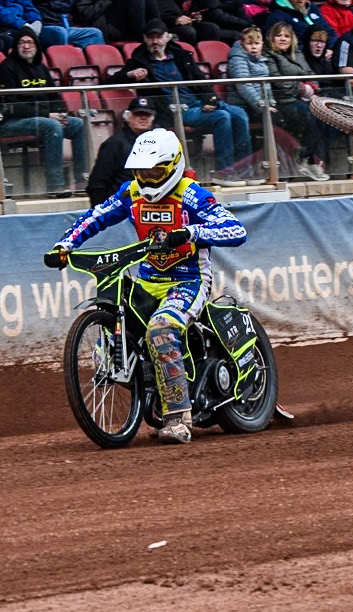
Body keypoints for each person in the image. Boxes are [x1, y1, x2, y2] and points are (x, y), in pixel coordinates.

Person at [43, 128, 247, 444]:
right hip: (148, 281)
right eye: (141, 171)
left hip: (189, 281)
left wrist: (189, 233)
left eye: (155, 171)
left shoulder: (191, 193)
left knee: (161, 330)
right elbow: (96, 215)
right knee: (112, 340)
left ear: (173, 166)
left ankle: (179, 418)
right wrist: (64, 245)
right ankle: (151, 389)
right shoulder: (131, 192)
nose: (148, 178)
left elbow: (234, 229)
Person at [110, 18, 254, 187]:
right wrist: (130, 75)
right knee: (222, 117)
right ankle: (225, 171)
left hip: (198, 102)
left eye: (158, 36)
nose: (155, 41)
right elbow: (111, 80)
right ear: (144, 38)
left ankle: (245, 169)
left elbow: (199, 79)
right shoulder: (139, 60)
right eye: (151, 37)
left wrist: (211, 100)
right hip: (176, 109)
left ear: (167, 37)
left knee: (239, 114)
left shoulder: (181, 55)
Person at [0, 25, 86, 196]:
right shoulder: (7, 68)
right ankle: (55, 185)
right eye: (22, 42)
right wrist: (47, 115)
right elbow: (12, 106)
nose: (26, 46)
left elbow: (55, 96)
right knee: (51, 127)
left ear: (37, 46)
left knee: (78, 124)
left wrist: (60, 113)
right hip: (11, 122)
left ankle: (81, 180)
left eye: (30, 42)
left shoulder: (41, 67)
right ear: (16, 45)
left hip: (42, 118)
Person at [263, 20, 328, 180]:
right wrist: (300, 88)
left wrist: (312, 86)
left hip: (302, 98)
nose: (283, 39)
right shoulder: (268, 55)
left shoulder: (298, 54)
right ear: (272, 38)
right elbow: (277, 81)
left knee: (326, 116)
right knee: (309, 114)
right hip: (282, 101)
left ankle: (313, 159)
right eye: (278, 36)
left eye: (286, 36)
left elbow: (311, 75)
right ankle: (309, 161)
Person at [86, 96, 156, 206]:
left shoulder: (159, 142)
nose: (143, 118)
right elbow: (98, 182)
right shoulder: (114, 144)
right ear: (128, 117)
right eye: (138, 114)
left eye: (147, 115)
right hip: (120, 208)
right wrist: (99, 213)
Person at [263, 0, 336, 53]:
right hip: (300, 56)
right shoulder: (277, 15)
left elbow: (330, 32)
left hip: (323, 53)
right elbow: (276, 42)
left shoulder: (313, 9)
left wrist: (330, 48)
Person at [72, 0, 159, 43]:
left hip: (128, 25)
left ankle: (158, 34)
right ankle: (143, 39)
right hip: (105, 27)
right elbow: (85, 15)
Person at [33, 0, 104, 48]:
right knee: (60, 32)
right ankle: (62, 66)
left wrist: (50, 4)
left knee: (94, 33)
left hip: (63, 26)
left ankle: (99, 66)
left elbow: (68, 6)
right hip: (43, 27)